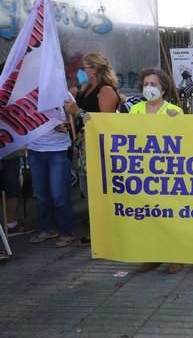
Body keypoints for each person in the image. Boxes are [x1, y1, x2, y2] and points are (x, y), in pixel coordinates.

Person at [129, 69, 184, 274]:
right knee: (147, 215)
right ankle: (152, 255)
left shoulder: (173, 110)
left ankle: (175, 256)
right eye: (145, 84)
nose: (148, 88)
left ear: (163, 88)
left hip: (167, 171)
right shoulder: (135, 110)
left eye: (153, 84)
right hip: (142, 170)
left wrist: (177, 121)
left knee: (169, 216)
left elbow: (185, 137)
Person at [64, 53, 120, 246]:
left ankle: (106, 231)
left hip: (99, 147)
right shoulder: (84, 89)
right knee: (86, 191)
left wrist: (77, 111)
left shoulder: (105, 91)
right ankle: (96, 229)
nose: (81, 71)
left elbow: (104, 121)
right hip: (83, 145)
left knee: (99, 191)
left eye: (84, 67)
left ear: (94, 69)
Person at [27, 100, 76, 248]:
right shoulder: (27, 93)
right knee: (41, 194)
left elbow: (74, 123)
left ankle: (66, 232)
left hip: (59, 150)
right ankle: (47, 229)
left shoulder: (63, 94)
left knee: (59, 194)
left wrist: (65, 125)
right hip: (35, 149)